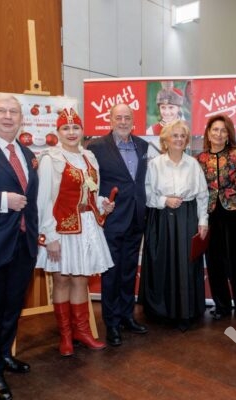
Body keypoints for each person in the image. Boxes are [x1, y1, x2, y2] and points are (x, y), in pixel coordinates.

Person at [37, 108, 115, 356]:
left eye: (75, 127)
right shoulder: (51, 158)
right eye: (65, 128)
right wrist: (49, 236)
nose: (71, 132)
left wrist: (102, 203)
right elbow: (44, 200)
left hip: (87, 226)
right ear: (58, 132)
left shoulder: (89, 156)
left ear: (82, 130)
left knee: (81, 279)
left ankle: (82, 331)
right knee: (62, 279)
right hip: (60, 228)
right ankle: (66, 336)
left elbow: (92, 192)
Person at [0, 94, 39, 400]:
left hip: (23, 246)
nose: (7, 116)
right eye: (1, 111)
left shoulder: (27, 153)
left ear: (21, 118)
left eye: (13, 111)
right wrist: (3, 200)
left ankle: (4, 354)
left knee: (12, 308)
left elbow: (32, 201)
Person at [88, 103, 149, 347]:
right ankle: (111, 323)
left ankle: (126, 317)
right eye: (118, 118)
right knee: (111, 274)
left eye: (127, 118)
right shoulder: (96, 147)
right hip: (111, 219)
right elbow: (91, 183)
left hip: (136, 218)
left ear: (133, 121)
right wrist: (101, 204)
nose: (123, 122)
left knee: (128, 271)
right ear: (110, 120)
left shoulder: (142, 145)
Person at [139, 120, 209, 332]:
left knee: (186, 264)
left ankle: (185, 312)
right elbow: (147, 193)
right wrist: (164, 200)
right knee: (162, 262)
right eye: (174, 135)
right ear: (165, 140)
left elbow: (202, 195)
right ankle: (161, 311)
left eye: (182, 136)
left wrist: (203, 221)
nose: (179, 139)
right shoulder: (155, 164)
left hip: (187, 217)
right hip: (161, 217)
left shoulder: (193, 164)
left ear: (187, 141)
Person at [196, 114, 236, 323]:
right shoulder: (201, 159)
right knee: (214, 262)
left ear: (228, 134)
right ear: (208, 133)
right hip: (210, 214)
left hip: (234, 212)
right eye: (215, 130)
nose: (219, 134)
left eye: (223, 130)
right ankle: (221, 306)